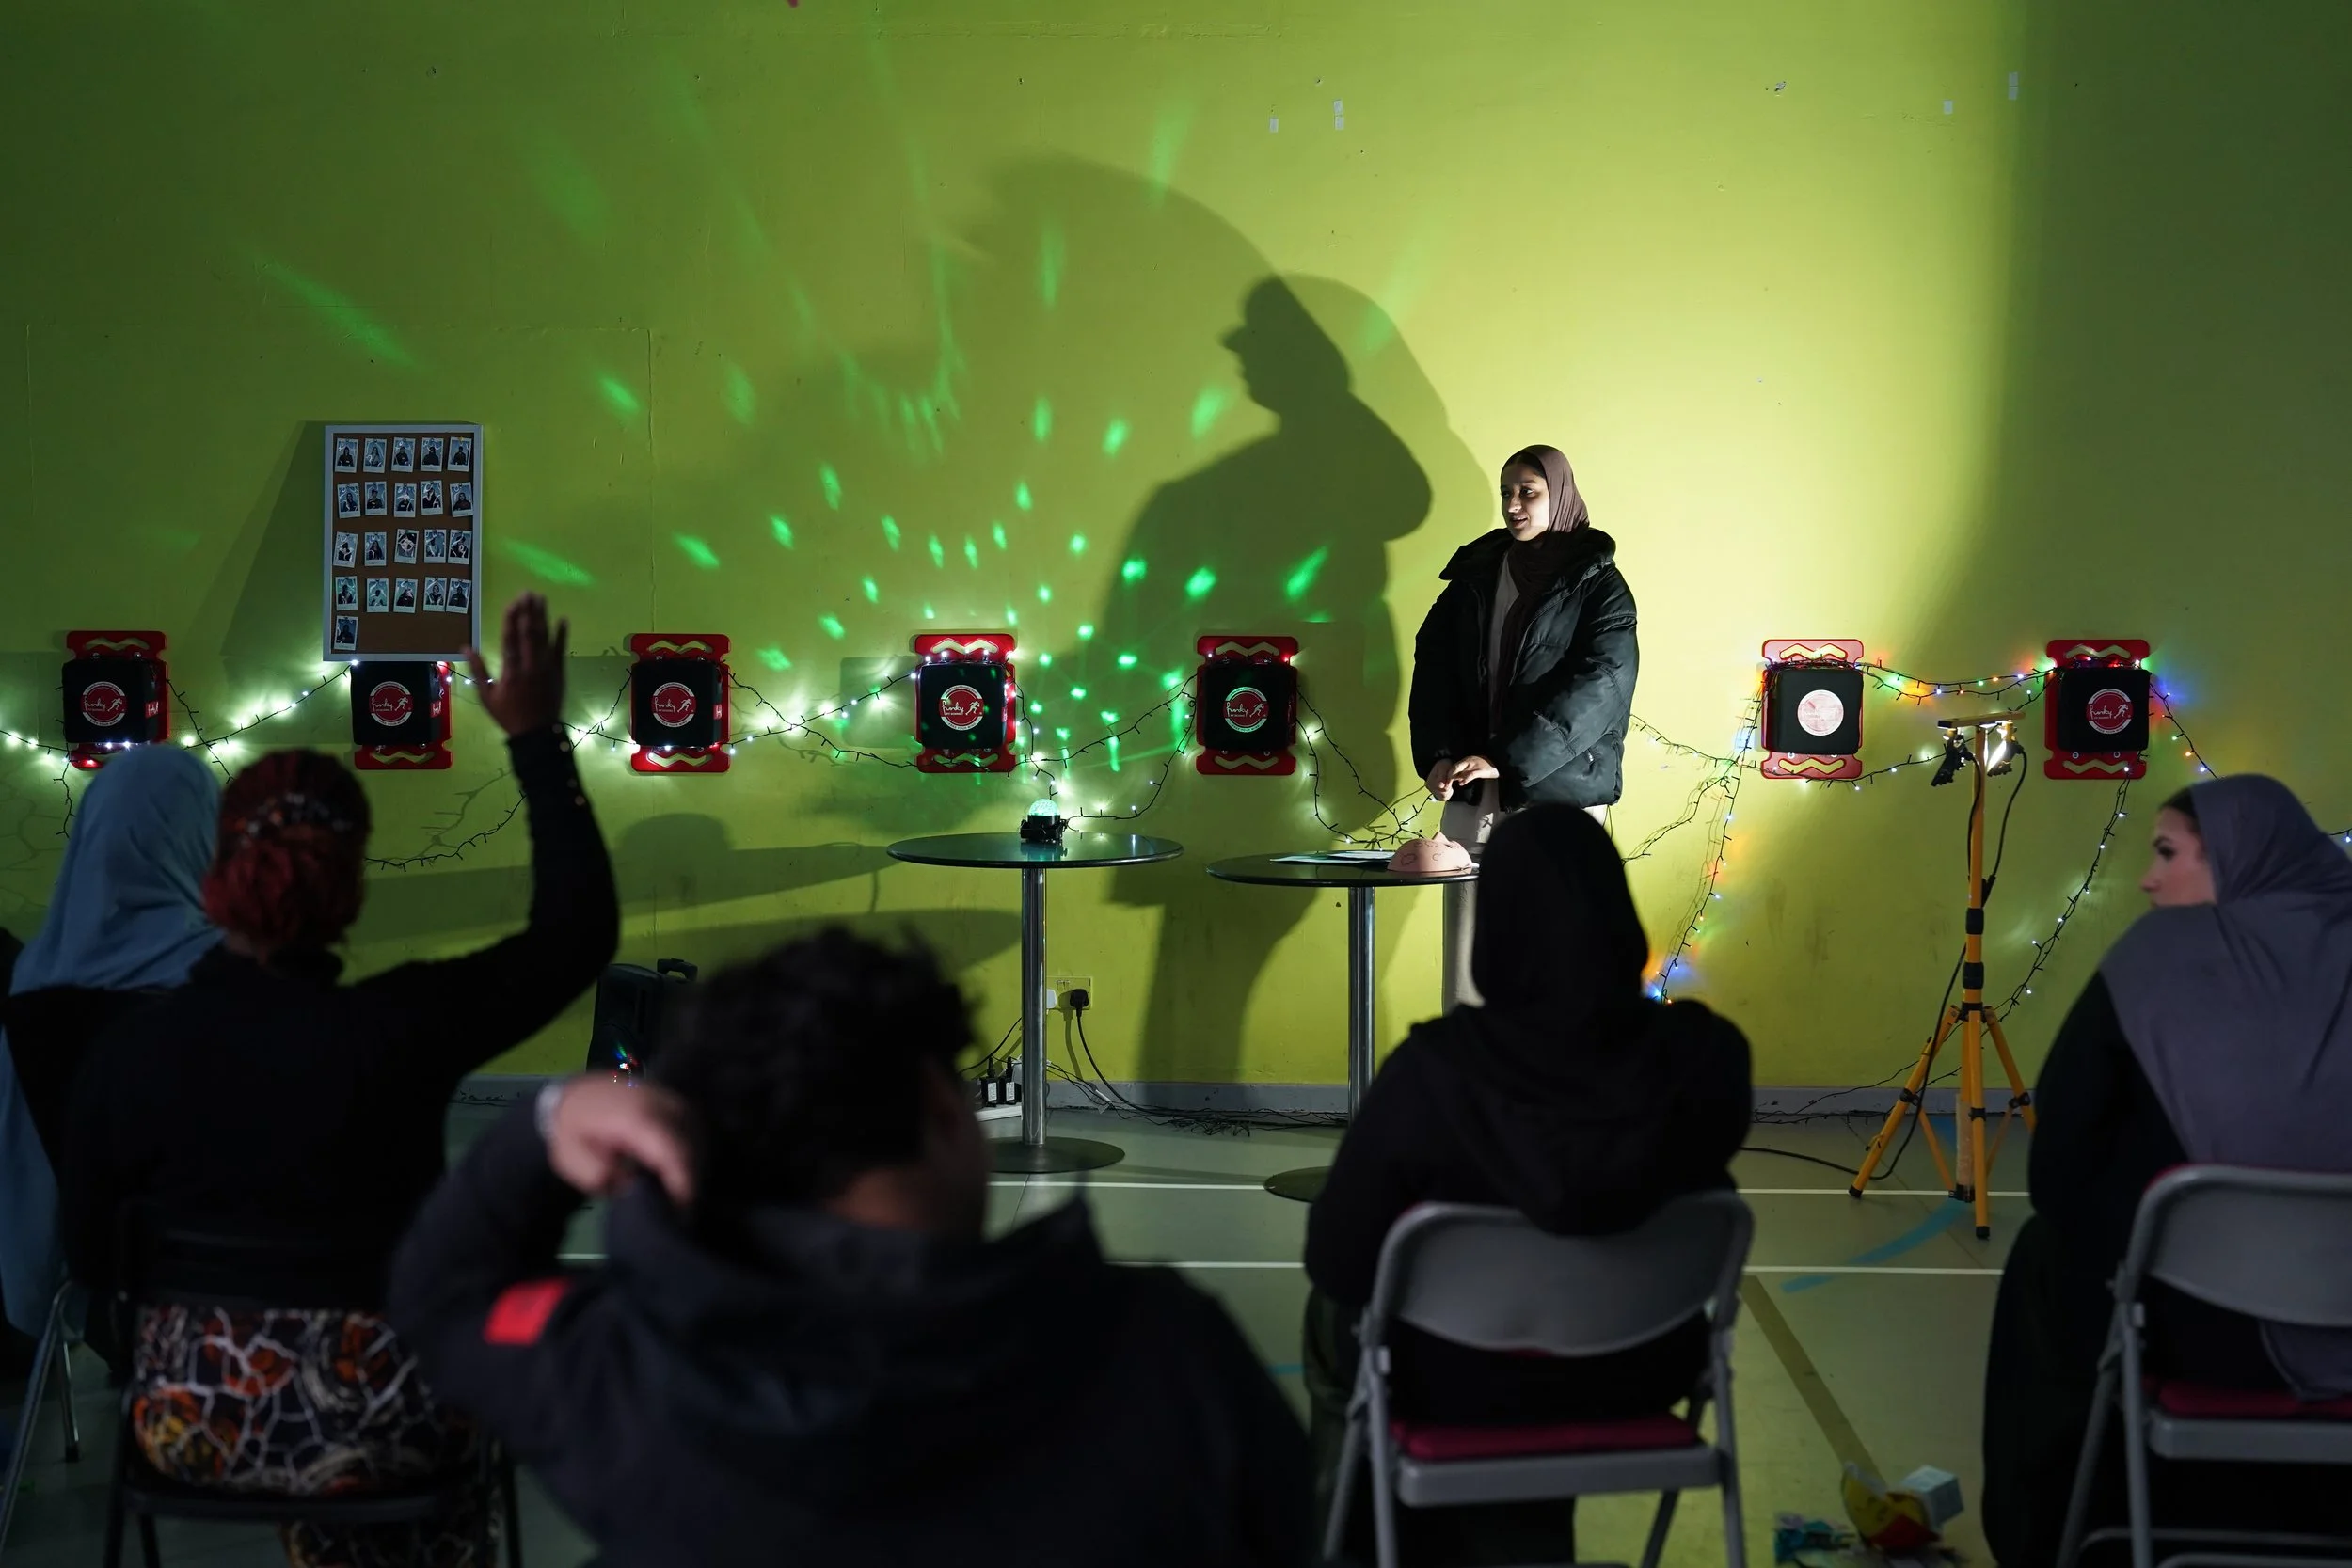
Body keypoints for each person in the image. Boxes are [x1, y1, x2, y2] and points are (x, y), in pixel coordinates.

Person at [389, 929, 1313, 1568]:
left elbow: (440, 1295)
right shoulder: (1168, 1353)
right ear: (947, 1110)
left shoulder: (620, 1367)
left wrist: (545, 1121)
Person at [61, 593, 613, 1568]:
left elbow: (94, 1261)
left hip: (192, 1426)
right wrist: (535, 738)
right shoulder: (397, 1026)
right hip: (385, 1426)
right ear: (352, 882)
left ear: (217, 872)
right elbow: (575, 935)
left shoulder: (126, 1050)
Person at [1303, 805, 1751, 1565]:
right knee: (1556, 1342)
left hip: (1451, 1375)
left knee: (1334, 1322)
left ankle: (1359, 1543)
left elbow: (1340, 1259)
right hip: (1639, 1368)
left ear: (1497, 926)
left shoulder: (1433, 1071)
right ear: (1618, 909)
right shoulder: (1709, 1057)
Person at [1982, 775, 2352, 1564]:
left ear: (2241, 860)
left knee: (2046, 1264)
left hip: (2199, 1330)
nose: (2149, 877)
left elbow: (2060, 1170)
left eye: (2167, 853)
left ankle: (2061, 1536)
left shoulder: (2159, 957)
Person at [0, 745, 219, 1340]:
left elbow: (23, 1163)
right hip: (240, 1288)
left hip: (95, 1290)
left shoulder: (36, 979)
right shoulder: (233, 975)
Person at [1408, 444, 1637, 1006]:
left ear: (1558, 497)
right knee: (1469, 959)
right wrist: (1441, 752)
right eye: (1506, 491)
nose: (1513, 504)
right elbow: (1434, 670)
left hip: (1556, 795)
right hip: (1475, 795)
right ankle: (1472, 1086)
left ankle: (1556, 1092)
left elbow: (1602, 684)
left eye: (1528, 492)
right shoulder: (1474, 578)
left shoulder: (1599, 585)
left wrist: (1506, 758)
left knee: (1560, 957)